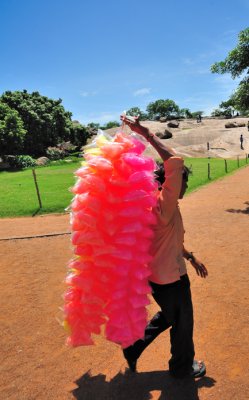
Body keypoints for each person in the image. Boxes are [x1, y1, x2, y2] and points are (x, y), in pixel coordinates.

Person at [120, 115, 208, 379]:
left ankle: (134, 347)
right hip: (171, 279)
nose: (184, 188)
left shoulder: (153, 207)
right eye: (182, 184)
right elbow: (174, 164)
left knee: (171, 315)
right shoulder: (164, 206)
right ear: (169, 185)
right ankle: (182, 368)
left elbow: (170, 243)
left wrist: (191, 257)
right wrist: (146, 132)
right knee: (182, 323)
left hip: (160, 277)